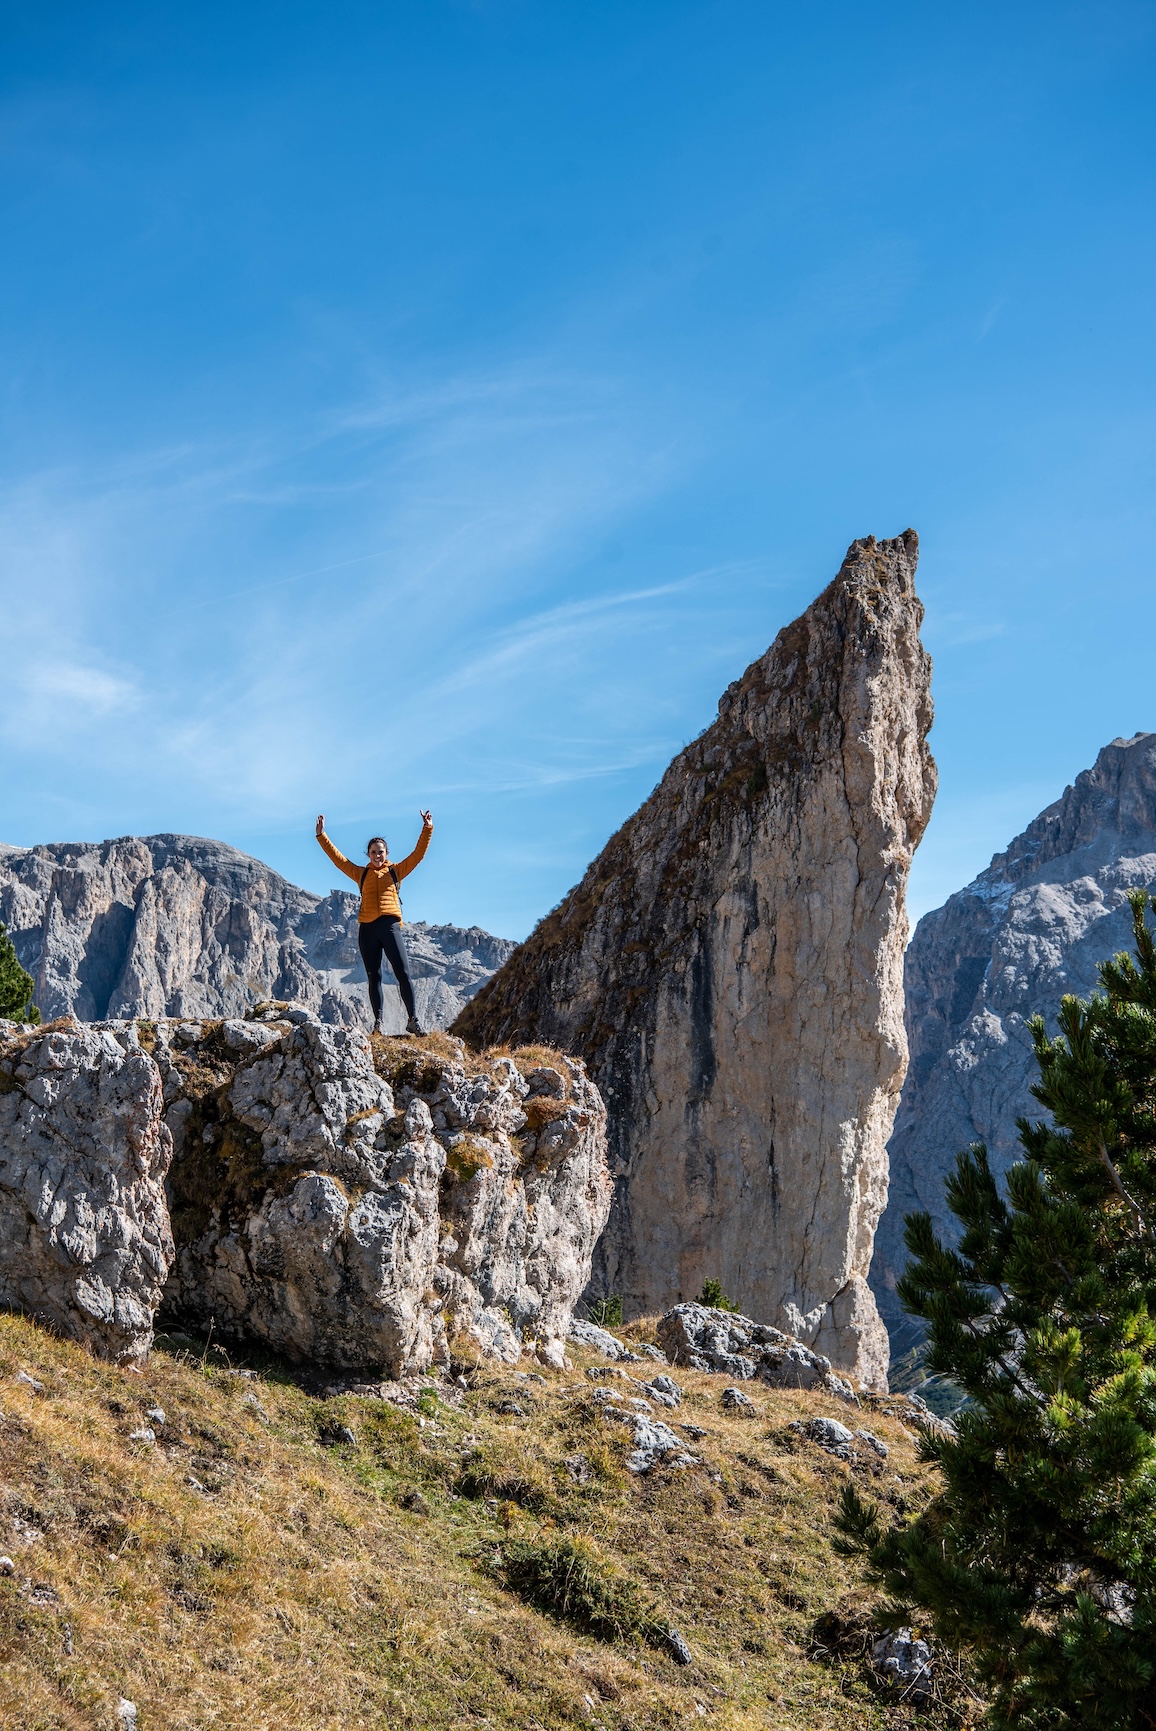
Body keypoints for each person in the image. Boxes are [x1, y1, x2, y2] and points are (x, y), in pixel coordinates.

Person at [315, 810, 434, 1036]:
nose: (377, 855)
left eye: (381, 852)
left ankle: (413, 1020)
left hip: (390, 927)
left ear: (387, 853)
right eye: (373, 852)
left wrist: (427, 829)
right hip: (367, 929)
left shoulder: (396, 871)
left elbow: (418, 854)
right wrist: (322, 836)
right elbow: (338, 859)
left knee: (403, 973)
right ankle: (378, 1024)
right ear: (368, 854)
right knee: (374, 976)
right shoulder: (361, 874)